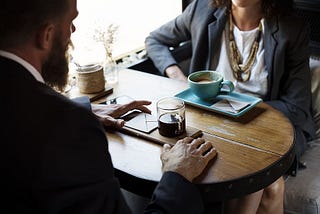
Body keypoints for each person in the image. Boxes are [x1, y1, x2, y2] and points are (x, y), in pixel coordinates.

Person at [0, 0, 218, 213]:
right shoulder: (70, 129)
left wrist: (84, 109)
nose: (73, 31)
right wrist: (177, 175)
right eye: (70, 22)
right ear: (46, 36)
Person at [145, 0, 316, 213]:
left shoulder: (292, 28)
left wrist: (236, 111)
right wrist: (176, 75)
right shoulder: (201, 9)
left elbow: (297, 108)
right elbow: (155, 40)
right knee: (271, 186)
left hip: (271, 127)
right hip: (216, 124)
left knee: (264, 185)